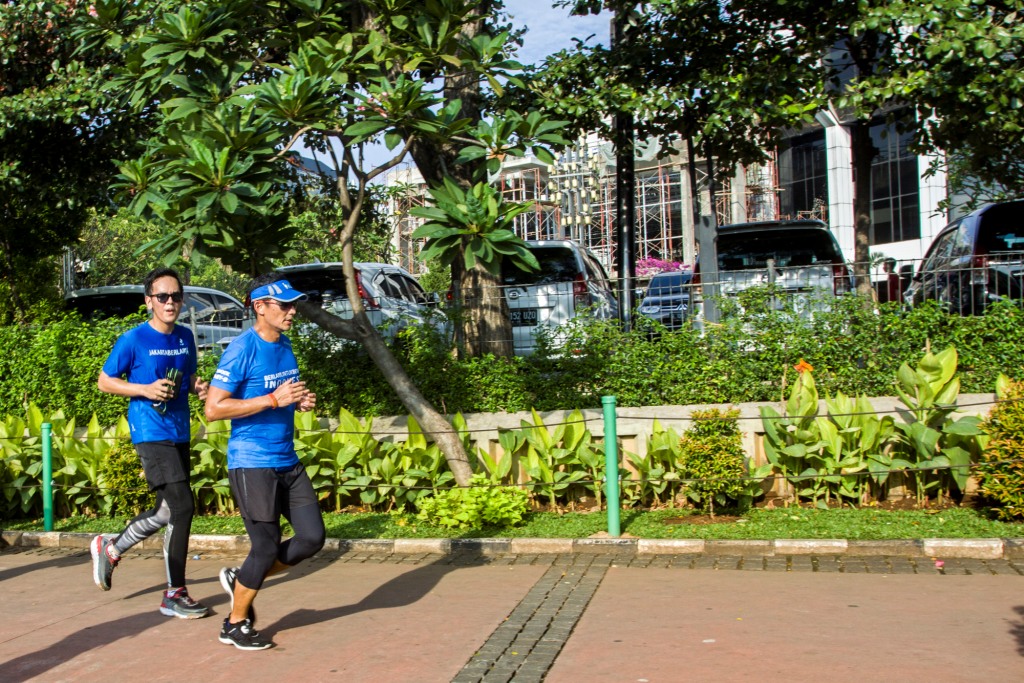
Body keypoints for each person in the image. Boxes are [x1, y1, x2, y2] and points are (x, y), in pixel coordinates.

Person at [206, 274, 325, 651]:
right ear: (260, 307)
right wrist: (273, 400)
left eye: (293, 305)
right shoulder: (242, 350)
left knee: (311, 537)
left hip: (286, 459)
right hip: (252, 462)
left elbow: (286, 390)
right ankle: (234, 623)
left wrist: (300, 400)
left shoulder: (285, 344)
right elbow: (213, 408)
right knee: (266, 546)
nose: (293, 311)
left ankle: (243, 580)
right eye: (284, 305)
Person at [90, 267, 211, 619]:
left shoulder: (185, 337)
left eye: (175, 296)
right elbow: (105, 381)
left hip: (179, 430)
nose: (170, 302)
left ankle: (111, 548)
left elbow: (187, 379)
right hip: (149, 430)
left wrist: (197, 388)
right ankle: (174, 593)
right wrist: (143, 388)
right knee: (183, 507)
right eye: (162, 297)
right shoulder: (133, 339)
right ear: (149, 301)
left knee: (166, 511)